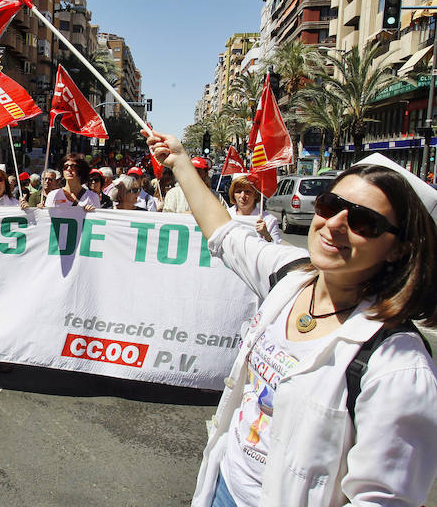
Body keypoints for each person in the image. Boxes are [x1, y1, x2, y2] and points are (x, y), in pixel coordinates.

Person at [145, 130, 437, 507]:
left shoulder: (398, 367)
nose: (334, 225)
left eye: (364, 222)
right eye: (330, 205)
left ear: (399, 249)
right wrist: (181, 162)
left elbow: (383, 499)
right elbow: (225, 234)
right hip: (222, 486)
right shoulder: (291, 275)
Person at [227, 175, 282, 244]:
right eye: (238, 191)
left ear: (255, 194)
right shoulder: (226, 216)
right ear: (233, 194)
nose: (242, 196)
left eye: (247, 192)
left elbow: (276, 250)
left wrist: (267, 236)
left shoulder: (269, 220)